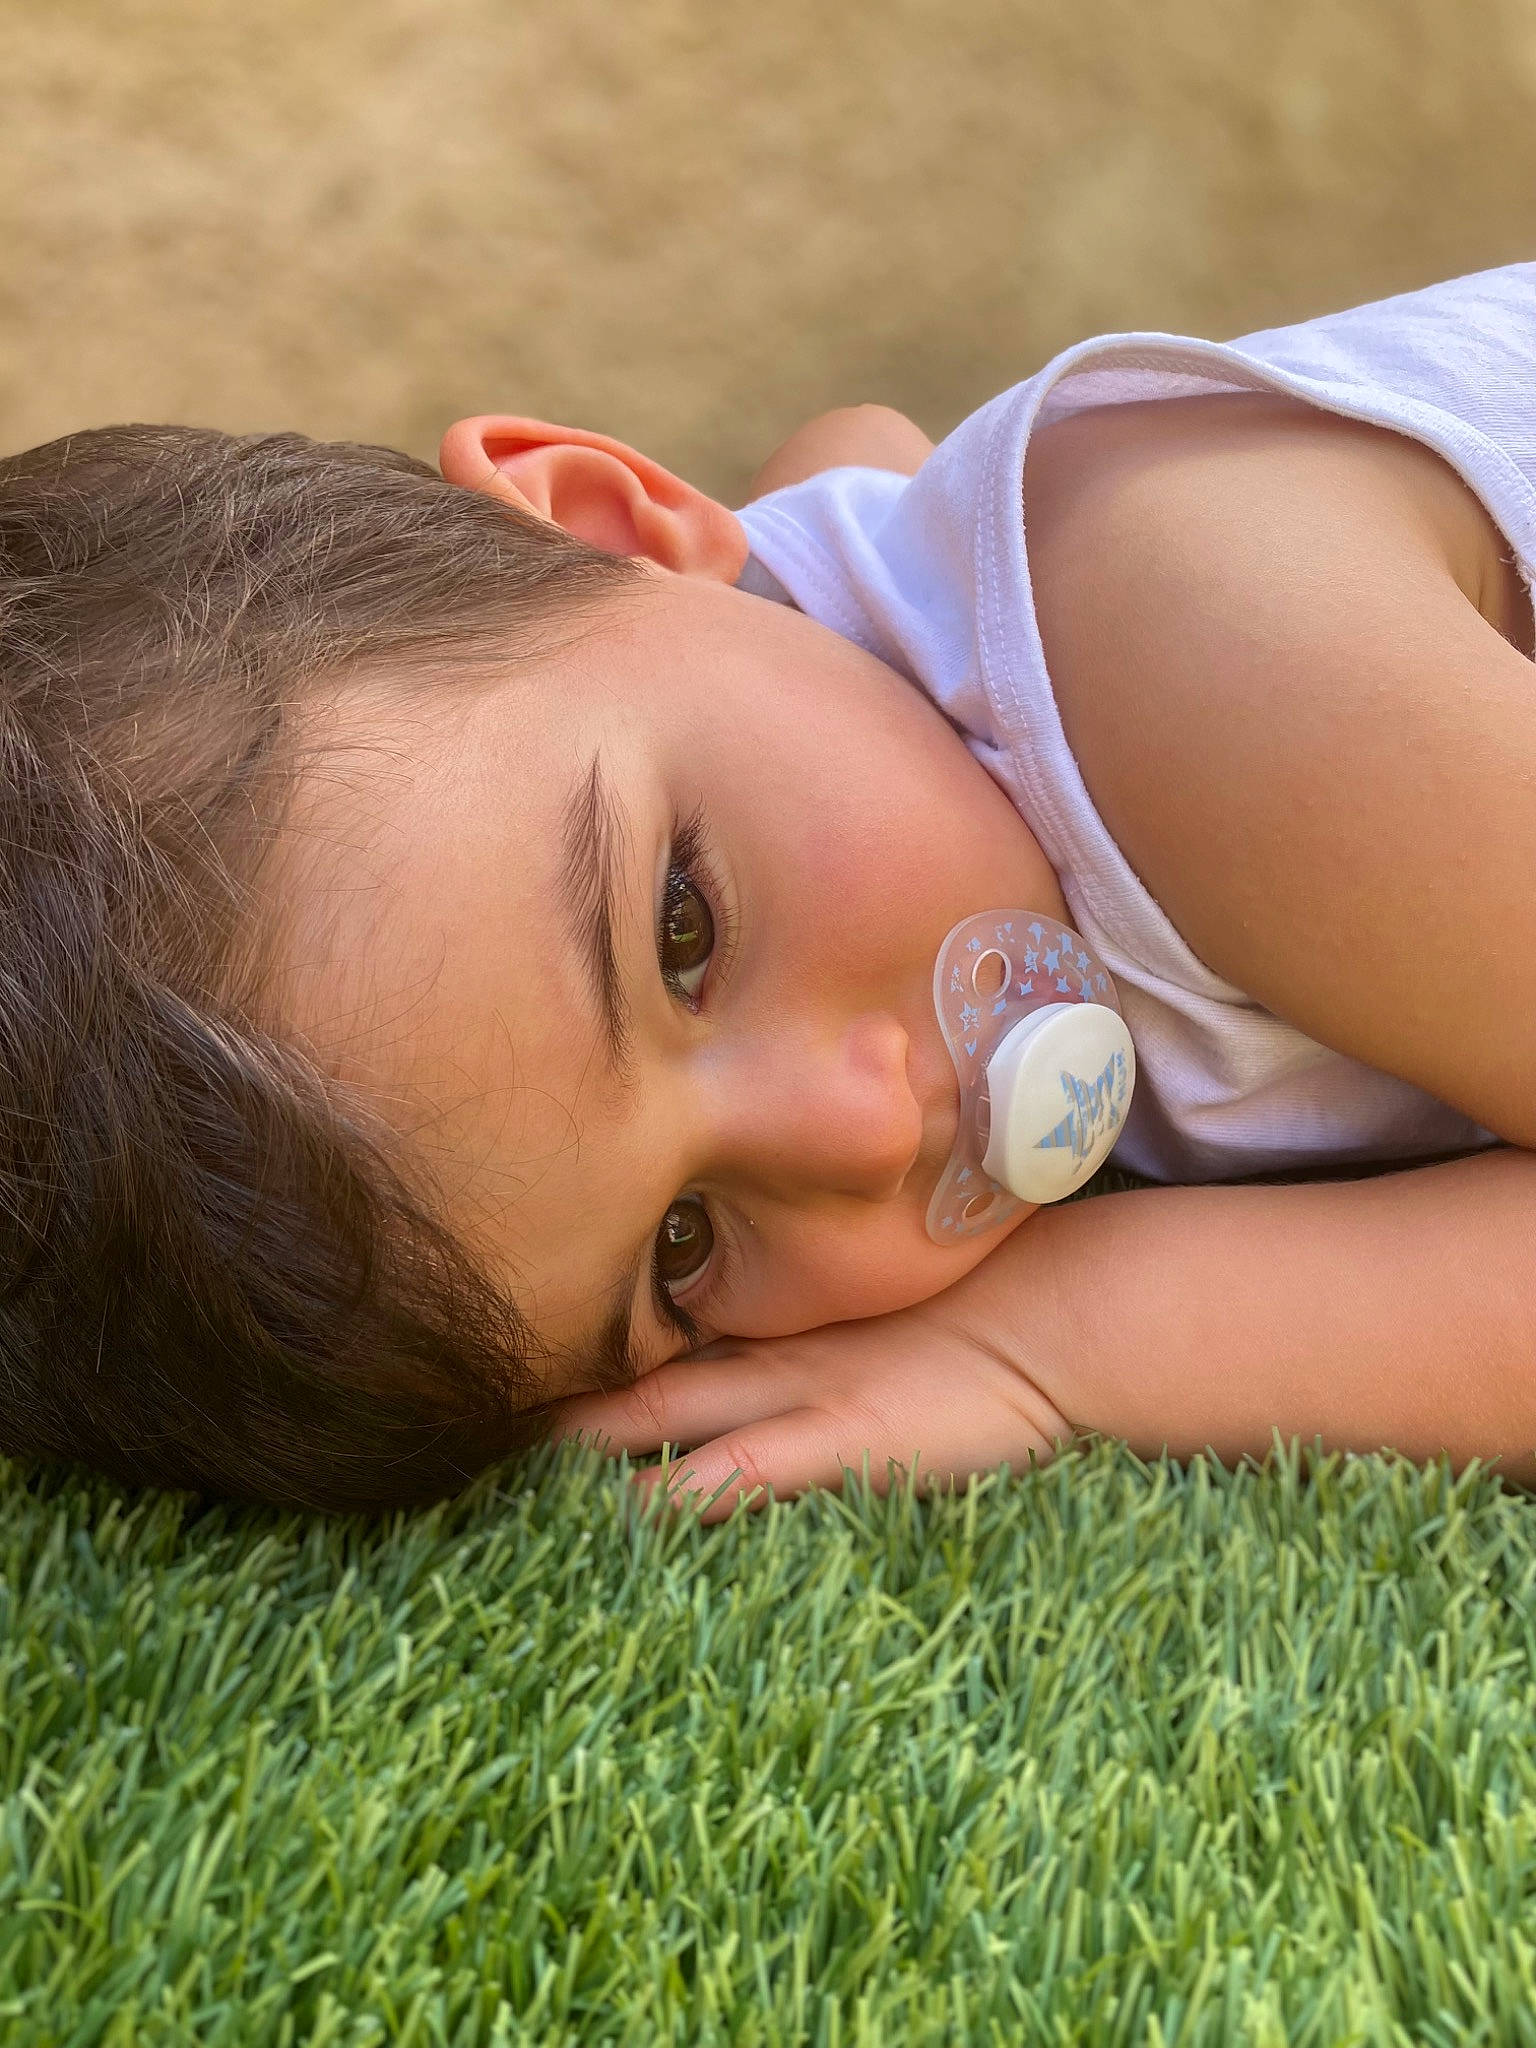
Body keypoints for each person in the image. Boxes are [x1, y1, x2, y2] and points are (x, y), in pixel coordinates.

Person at [2, 263, 1533, 1516]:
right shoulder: (747, 662)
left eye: (683, 931)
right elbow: (850, 454)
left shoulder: (1220, 662)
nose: (867, 1134)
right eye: (684, 1252)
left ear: (623, 522)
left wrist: (1066, 1332)